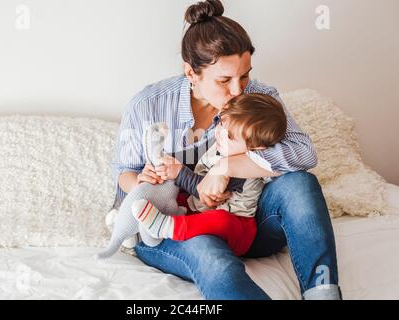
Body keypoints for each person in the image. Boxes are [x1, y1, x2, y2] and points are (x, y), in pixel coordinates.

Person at [112, 0, 341, 300]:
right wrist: (142, 181)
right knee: (212, 256)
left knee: (301, 183)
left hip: (242, 223)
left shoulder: (258, 96)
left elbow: (304, 152)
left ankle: (322, 294)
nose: (238, 90)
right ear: (191, 73)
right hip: (173, 224)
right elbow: (123, 173)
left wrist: (225, 168)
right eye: (224, 80)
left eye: (244, 75)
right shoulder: (147, 105)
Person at [132, 93, 287, 258]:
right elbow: (191, 158)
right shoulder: (221, 145)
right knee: (167, 194)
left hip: (236, 229)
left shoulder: (244, 167)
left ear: (256, 148)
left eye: (229, 136)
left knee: (221, 220)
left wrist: (179, 172)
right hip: (199, 209)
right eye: (221, 123)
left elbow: (207, 193)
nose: (219, 133)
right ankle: (131, 224)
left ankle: (169, 227)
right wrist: (163, 161)